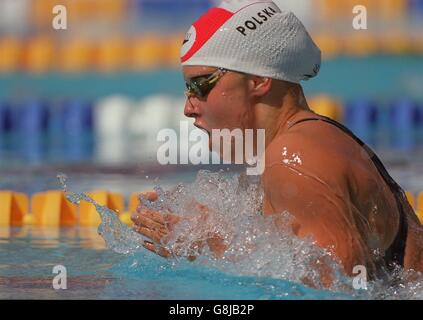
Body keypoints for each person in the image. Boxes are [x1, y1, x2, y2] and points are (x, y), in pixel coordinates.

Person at [132, 0, 423, 284]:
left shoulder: (292, 157)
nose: (189, 107)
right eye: (187, 89)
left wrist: (212, 245)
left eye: (201, 85)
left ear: (258, 80)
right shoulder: (313, 139)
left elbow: (344, 287)